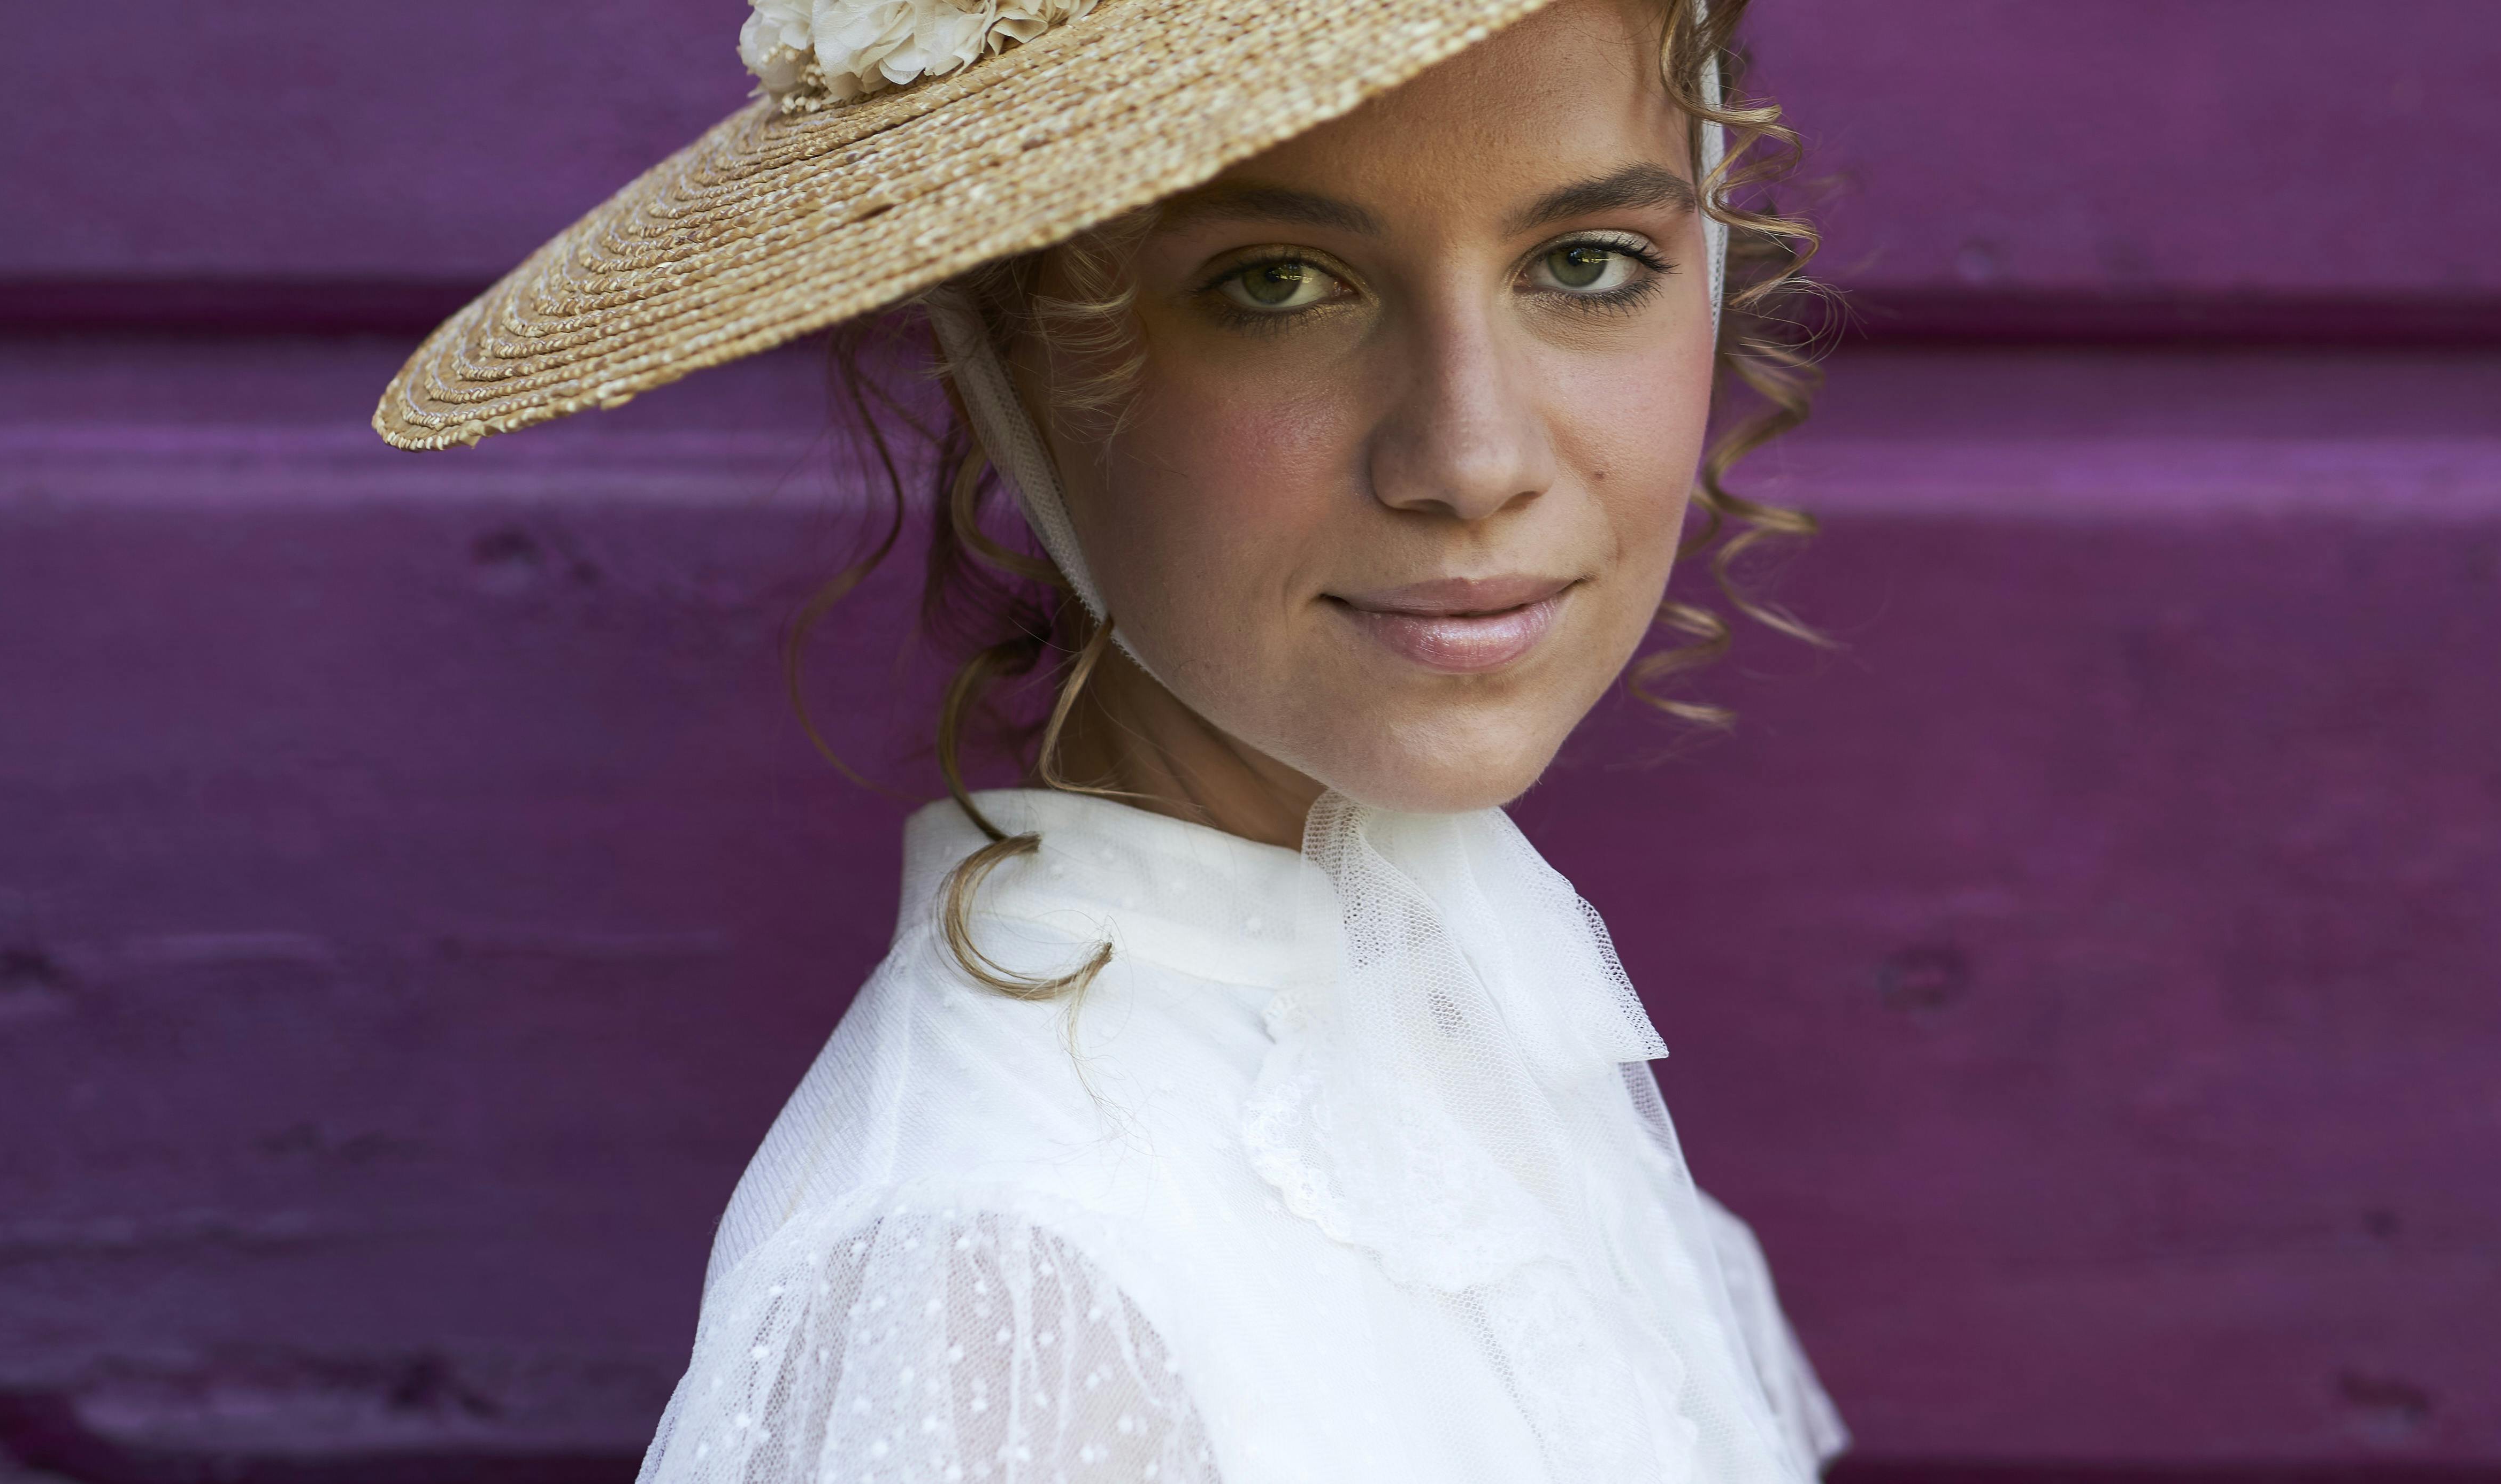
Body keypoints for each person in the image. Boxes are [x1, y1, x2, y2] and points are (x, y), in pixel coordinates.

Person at [377, 0, 1845, 1478]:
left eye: (1586, 265)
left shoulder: (1455, 1037)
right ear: (1013, 366)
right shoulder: (1015, 1278)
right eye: (1277, 283)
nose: (1470, 459)